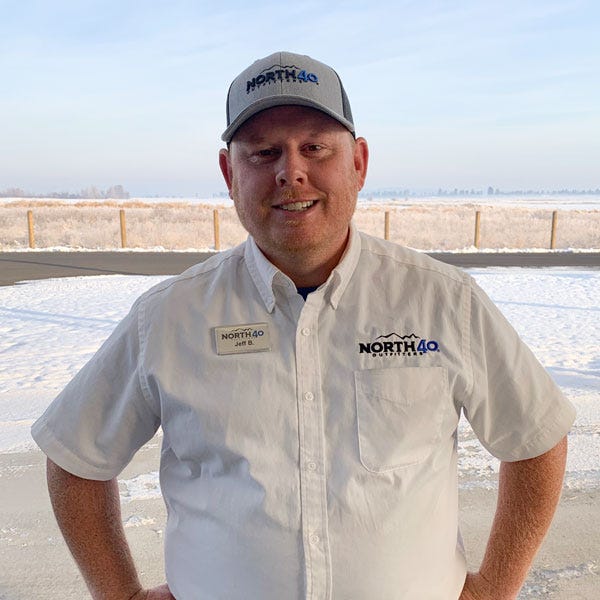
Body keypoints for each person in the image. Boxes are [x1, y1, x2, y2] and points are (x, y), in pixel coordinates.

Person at [32, 51, 575, 600]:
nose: (290, 171)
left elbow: (537, 438)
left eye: (315, 147)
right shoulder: (170, 317)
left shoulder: (442, 302)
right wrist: (118, 594)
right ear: (228, 173)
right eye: (264, 152)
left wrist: (494, 589)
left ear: (359, 163)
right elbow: (76, 457)